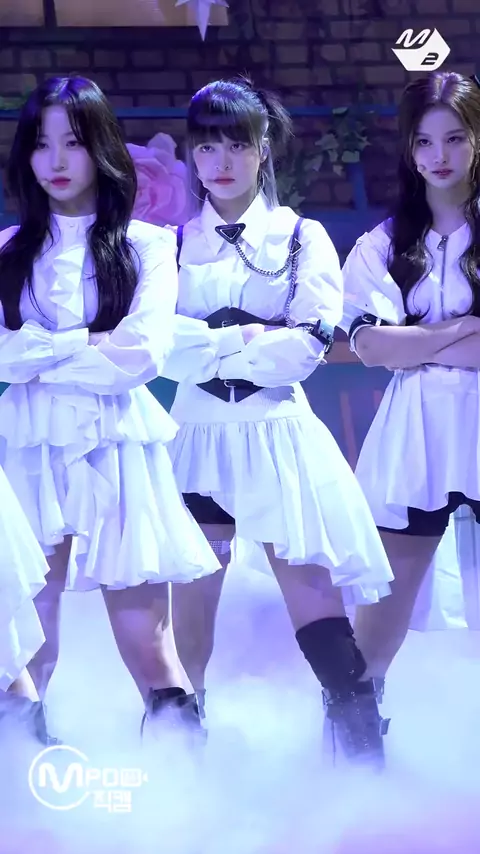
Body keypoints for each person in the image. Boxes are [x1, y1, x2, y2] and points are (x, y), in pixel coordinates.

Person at [160, 76, 395, 769]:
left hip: (278, 434)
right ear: (192, 154)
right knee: (190, 603)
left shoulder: (302, 236)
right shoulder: (167, 245)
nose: (222, 160)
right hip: (197, 435)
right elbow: (163, 347)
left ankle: (361, 758)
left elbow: (306, 348)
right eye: (208, 146)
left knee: (314, 598)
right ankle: (181, 755)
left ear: (262, 149)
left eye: (237, 144)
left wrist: (213, 343)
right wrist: (250, 336)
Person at [0, 75, 221, 742]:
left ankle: (187, 779)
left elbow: (141, 355)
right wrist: (87, 341)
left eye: (72, 142)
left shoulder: (147, 244)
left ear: (100, 147)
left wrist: (39, 351)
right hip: (28, 441)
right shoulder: (8, 248)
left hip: (116, 439)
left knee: (147, 638)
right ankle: (24, 777)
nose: (57, 161)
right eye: (42, 144)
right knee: (25, 632)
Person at [340, 70, 480, 702]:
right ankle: (354, 733)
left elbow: (398, 346)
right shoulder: (382, 243)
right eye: (424, 142)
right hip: (416, 433)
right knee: (380, 616)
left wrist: (416, 341)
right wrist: (465, 326)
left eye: (455, 138)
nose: (439, 155)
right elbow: (372, 348)